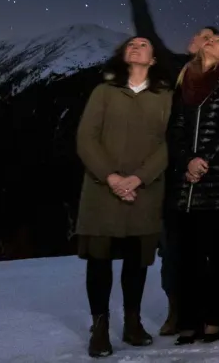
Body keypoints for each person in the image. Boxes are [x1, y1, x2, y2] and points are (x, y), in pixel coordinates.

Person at [124, 0, 218, 335]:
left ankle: (207, 311)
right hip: (173, 168)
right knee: (172, 245)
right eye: (199, 36)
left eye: (210, 37)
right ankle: (177, 309)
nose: (202, 40)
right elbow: (146, 32)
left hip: (210, 170)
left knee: (206, 245)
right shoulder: (175, 68)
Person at [76, 37, 173, 358]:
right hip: (102, 190)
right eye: (131, 44)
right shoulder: (104, 92)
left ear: (153, 59)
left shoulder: (165, 97)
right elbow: (86, 138)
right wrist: (112, 178)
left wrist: (138, 178)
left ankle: (133, 323)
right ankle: (100, 328)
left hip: (144, 191)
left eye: (143, 44)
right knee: (99, 261)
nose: (135, 46)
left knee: (136, 260)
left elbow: (170, 143)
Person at [166, 31, 219, 345]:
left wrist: (204, 160)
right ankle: (189, 319)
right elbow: (176, 128)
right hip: (187, 184)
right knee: (187, 255)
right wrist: (187, 161)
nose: (211, 41)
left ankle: (215, 318)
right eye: (208, 39)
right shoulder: (185, 83)